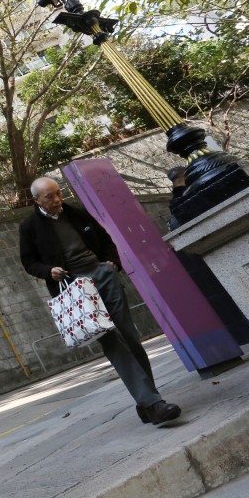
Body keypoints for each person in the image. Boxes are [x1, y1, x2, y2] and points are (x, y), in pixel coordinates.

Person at [19, 177, 182, 426]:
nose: (57, 200)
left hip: (102, 276)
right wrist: (47, 270)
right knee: (112, 342)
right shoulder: (30, 227)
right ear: (36, 200)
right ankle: (153, 403)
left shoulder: (77, 213)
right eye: (49, 197)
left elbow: (105, 239)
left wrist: (111, 262)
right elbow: (28, 261)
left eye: (58, 193)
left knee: (130, 337)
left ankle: (147, 403)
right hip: (75, 288)